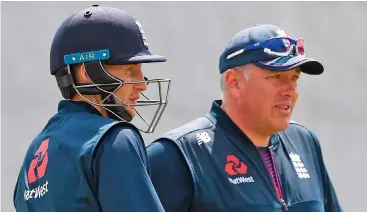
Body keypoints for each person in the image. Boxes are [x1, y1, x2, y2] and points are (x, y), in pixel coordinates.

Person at [147, 24, 343, 212]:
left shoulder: (304, 142)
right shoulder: (178, 154)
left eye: (294, 78)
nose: (290, 91)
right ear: (234, 82)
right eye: (276, 77)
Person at [13, 5, 170, 212]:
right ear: (88, 72)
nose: (143, 84)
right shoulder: (114, 139)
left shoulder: (35, 150)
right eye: (130, 70)